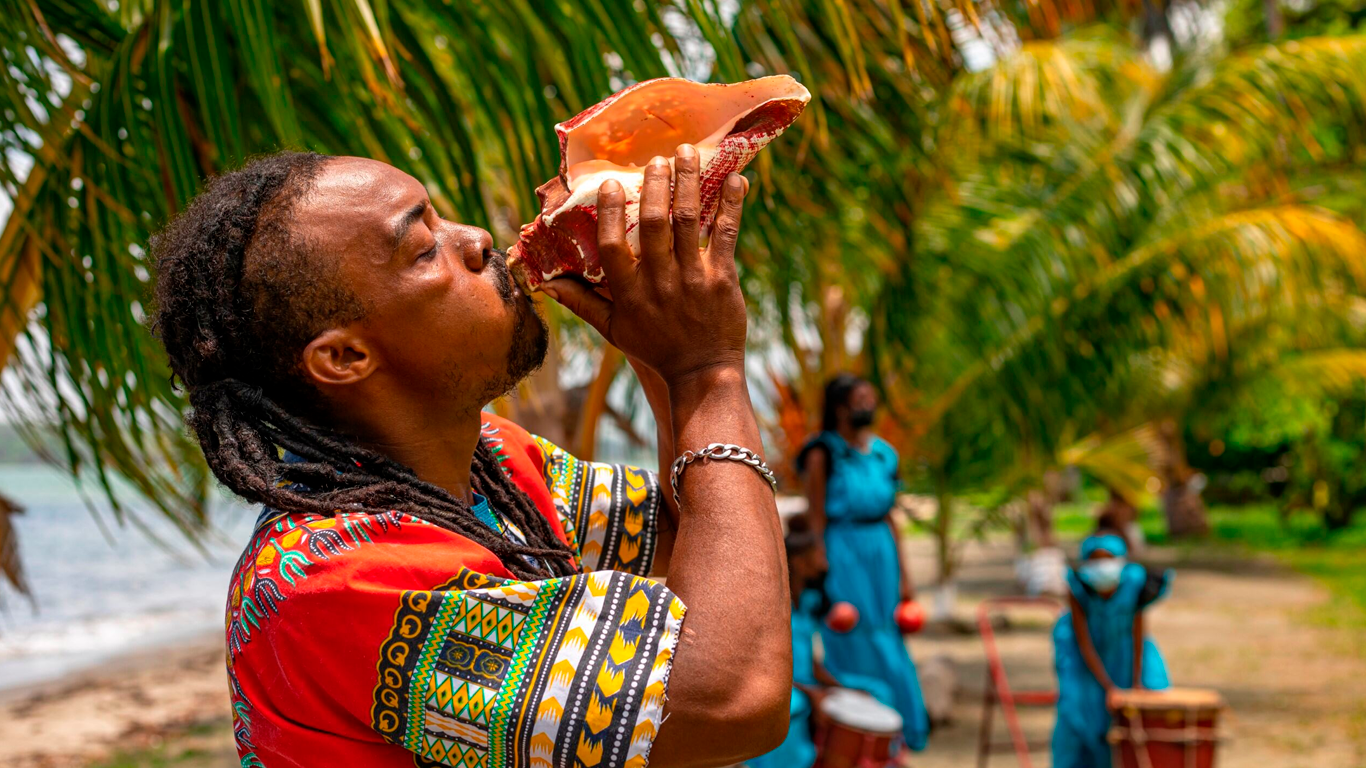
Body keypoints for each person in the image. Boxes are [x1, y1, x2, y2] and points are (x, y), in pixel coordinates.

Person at [149, 148, 791, 767]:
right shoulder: (335, 582)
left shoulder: (492, 459)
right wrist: (708, 374)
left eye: (443, 217)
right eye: (425, 249)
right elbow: (732, 695)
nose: (479, 239)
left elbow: (701, 534)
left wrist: (660, 355)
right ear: (344, 358)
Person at [796, 374, 930, 751]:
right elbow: (816, 513)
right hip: (842, 551)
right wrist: (820, 562)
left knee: (890, 635)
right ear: (840, 407)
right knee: (851, 633)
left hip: (882, 551)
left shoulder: (885, 453)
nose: (868, 406)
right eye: (860, 399)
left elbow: (891, 516)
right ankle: (859, 735)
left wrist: (905, 573)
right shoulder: (822, 453)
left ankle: (901, 729)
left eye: (871, 398)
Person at [749, 517, 896, 768]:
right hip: (783, 686)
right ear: (798, 560)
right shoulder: (773, 607)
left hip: (807, 683)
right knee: (796, 705)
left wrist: (839, 687)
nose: (825, 562)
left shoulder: (808, 601)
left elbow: (808, 660)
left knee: (877, 691)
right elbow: (764, 666)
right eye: (819, 554)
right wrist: (812, 692)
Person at [1052, 529, 1173, 768]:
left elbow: (1139, 633)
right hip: (1085, 660)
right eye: (1095, 560)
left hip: (1126, 654)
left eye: (1108, 559)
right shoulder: (1078, 586)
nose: (1102, 566)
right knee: (1079, 717)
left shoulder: (1136, 582)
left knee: (1150, 711)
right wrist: (1110, 688)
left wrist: (1136, 682)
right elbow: (1083, 641)